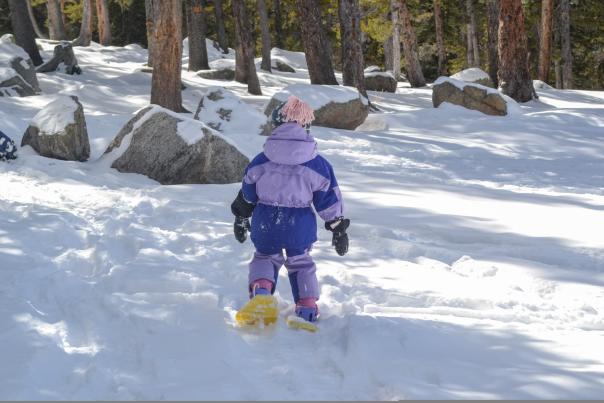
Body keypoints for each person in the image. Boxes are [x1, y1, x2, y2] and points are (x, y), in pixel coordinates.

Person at [231, 95, 350, 326]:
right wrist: (337, 227)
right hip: (300, 223)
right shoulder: (318, 164)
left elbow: (248, 191)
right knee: (301, 262)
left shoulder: (262, 159)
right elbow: (328, 197)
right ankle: (306, 308)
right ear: (306, 125)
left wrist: (241, 216)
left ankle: (262, 294)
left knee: (265, 256)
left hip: (266, 219)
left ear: (276, 125)